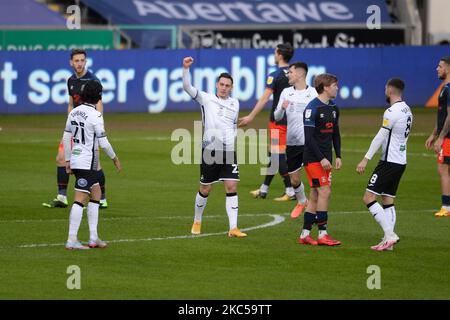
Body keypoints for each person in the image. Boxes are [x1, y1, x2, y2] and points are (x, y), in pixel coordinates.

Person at [182, 56, 247, 238]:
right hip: (210, 151)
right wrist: (186, 69)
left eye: (227, 85)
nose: (224, 88)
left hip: (228, 151)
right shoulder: (206, 99)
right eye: (222, 84)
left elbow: (232, 125)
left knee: (232, 186)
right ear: (217, 85)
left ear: (231, 88)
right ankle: (197, 220)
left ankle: (233, 228)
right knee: (205, 189)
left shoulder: (235, 104)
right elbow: (187, 87)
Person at [43, 49, 109, 209]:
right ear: (71, 62)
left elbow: (99, 104)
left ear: (85, 62)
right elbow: (71, 104)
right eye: (76, 60)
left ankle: (102, 199)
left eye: (82, 60)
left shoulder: (93, 80)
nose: (79, 63)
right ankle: (62, 196)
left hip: (89, 129)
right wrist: (70, 124)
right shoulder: (71, 80)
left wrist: (97, 127)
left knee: (95, 164)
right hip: (75, 127)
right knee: (61, 158)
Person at [63, 80, 121, 250]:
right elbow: (103, 143)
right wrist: (114, 158)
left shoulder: (74, 112)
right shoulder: (96, 115)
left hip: (77, 158)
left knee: (96, 193)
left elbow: (67, 137)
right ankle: (71, 239)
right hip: (87, 162)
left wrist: (67, 160)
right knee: (80, 198)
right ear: (98, 96)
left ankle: (93, 238)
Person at [357, 78, 412, 251]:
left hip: (389, 161)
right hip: (401, 161)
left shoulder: (391, 111)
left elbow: (380, 136)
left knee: (368, 197)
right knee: (388, 200)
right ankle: (388, 242)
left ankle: (390, 235)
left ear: (389, 90)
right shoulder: (407, 109)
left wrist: (365, 158)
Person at [239, 43, 296, 201]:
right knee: (273, 154)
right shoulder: (294, 74)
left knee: (278, 155)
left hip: (278, 121)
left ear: (279, 55)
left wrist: (251, 116)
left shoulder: (275, 75)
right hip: (291, 120)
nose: (274, 54)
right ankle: (264, 189)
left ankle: (290, 190)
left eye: (275, 52)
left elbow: (264, 98)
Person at [297, 73, 342, 246]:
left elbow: (335, 134)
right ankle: (323, 234)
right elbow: (309, 138)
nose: (337, 88)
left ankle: (305, 234)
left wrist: (338, 155)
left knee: (315, 195)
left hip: (325, 159)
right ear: (325, 87)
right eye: (334, 85)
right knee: (325, 191)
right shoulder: (312, 108)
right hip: (313, 159)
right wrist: (322, 158)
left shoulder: (333, 108)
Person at [273, 62, 317, 219]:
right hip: (292, 143)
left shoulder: (313, 93)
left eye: (290, 72)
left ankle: (316, 211)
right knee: (294, 179)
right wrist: (282, 108)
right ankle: (301, 201)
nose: (288, 75)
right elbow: (276, 117)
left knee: (315, 181)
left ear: (300, 74)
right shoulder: (286, 92)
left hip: (310, 144)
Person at [425, 56, 450, 217]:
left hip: (448, 137)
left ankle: (446, 207)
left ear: (447, 69)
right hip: (445, 135)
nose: (437, 69)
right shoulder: (444, 88)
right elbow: (442, 116)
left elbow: (449, 115)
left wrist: (441, 137)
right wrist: (433, 134)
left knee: (443, 169)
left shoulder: (448, 89)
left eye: (440, 66)